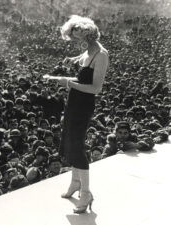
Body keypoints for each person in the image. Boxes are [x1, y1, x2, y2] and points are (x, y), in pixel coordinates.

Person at [43, 15, 109, 213]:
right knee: (70, 142)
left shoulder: (101, 55)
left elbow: (95, 88)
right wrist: (58, 78)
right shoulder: (87, 51)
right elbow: (79, 76)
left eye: (76, 34)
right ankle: (75, 183)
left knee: (77, 146)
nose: (75, 39)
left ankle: (86, 192)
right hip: (74, 102)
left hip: (84, 105)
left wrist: (67, 82)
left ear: (86, 31)